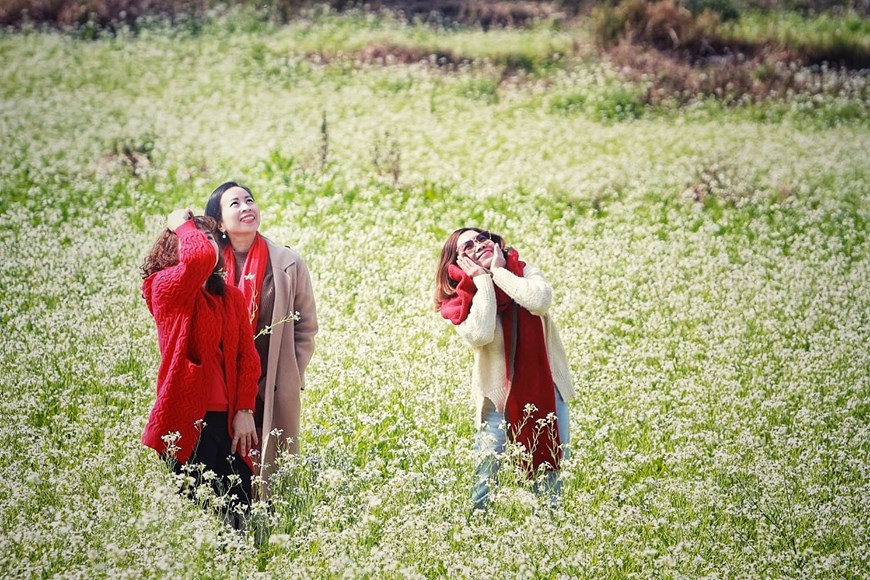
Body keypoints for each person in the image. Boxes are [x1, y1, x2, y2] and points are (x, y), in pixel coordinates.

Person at [434, 228, 575, 509]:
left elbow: (539, 302)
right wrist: (482, 281)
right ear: (458, 261)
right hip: (497, 398)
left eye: (482, 238)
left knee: (550, 470)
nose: (478, 246)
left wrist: (499, 272)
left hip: (547, 388)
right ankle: (477, 528)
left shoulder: (522, 271)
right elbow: (481, 334)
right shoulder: (460, 300)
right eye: (468, 247)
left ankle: (550, 527)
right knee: (485, 478)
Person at [140, 209, 260, 527]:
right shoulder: (164, 289)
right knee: (203, 517)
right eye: (198, 237)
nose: (208, 244)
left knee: (241, 514)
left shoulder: (230, 296)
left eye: (211, 237)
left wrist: (245, 410)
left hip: (228, 421)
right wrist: (181, 224)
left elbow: (247, 359)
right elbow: (197, 260)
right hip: (187, 421)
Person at [205, 182, 317, 496]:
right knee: (225, 473)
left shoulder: (287, 262)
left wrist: (291, 374)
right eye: (235, 204)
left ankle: (269, 521)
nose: (246, 208)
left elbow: (306, 327)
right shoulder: (208, 265)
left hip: (271, 381)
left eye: (249, 200)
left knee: (271, 472)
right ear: (219, 223)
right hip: (223, 385)